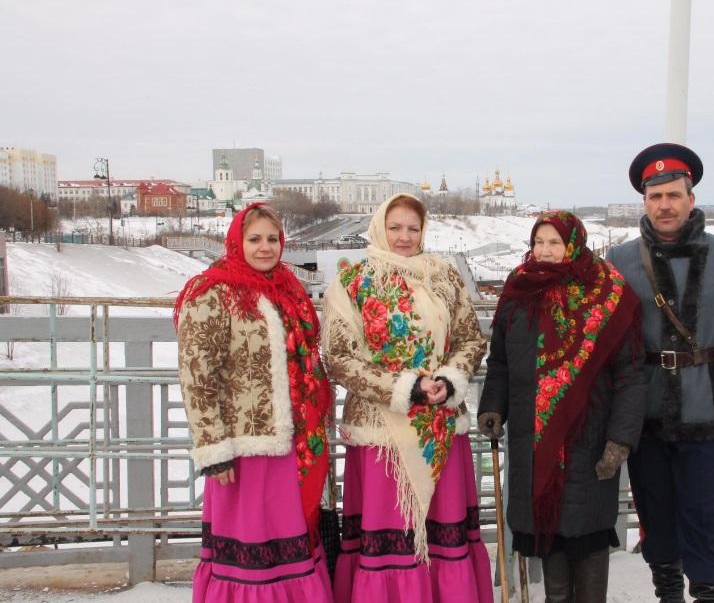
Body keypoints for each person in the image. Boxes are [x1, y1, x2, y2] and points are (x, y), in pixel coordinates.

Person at [606, 144, 714, 603]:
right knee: (654, 512)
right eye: (655, 197)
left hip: (704, 404)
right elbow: (603, 336)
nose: (665, 205)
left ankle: (710, 592)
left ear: (691, 198)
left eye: (674, 195)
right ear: (644, 202)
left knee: (703, 512)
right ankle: (667, 590)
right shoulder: (621, 260)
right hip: (642, 409)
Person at [321, 193, 492, 603]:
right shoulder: (353, 281)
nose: (404, 237)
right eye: (395, 227)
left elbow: (470, 337)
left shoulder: (444, 276)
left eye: (412, 229)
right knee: (390, 540)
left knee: (442, 532)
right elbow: (339, 357)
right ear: (380, 226)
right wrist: (404, 388)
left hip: (442, 427)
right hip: (382, 433)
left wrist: (449, 381)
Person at [478, 210, 648, 603]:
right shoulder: (519, 288)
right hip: (532, 441)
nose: (545, 251)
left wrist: (620, 440)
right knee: (547, 534)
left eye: (554, 242)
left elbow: (631, 375)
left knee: (587, 540)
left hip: (588, 439)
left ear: (574, 243)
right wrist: (493, 407)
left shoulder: (607, 293)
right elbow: (500, 360)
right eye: (539, 242)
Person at [174, 203, 334, 602]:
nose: (265, 248)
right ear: (236, 242)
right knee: (251, 549)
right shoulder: (212, 292)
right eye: (254, 239)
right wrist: (214, 449)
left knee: (293, 541)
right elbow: (197, 375)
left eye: (273, 239)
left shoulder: (289, 289)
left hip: (297, 444)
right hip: (245, 449)